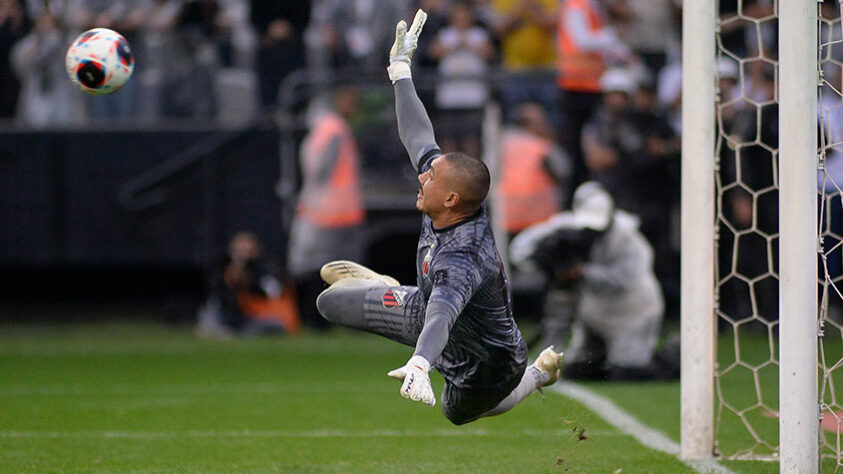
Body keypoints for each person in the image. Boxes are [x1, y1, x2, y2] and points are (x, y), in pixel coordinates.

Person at [314, 9, 563, 425]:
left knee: (455, 411)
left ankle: (537, 375)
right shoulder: (450, 198)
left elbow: (445, 315)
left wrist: (419, 364)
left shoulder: (462, 259)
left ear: (450, 198)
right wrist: (400, 71)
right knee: (329, 302)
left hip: (486, 361)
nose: (422, 174)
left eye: (430, 176)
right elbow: (418, 135)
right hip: (429, 309)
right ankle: (387, 286)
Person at [510, 182, 675, 381]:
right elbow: (520, 250)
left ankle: (672, 359)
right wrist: (549, 265)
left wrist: (582, 272)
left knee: (627, 372)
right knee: (578, 370)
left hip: (631, 313)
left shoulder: (628, 238)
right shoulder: (566, 228)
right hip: (593, 311)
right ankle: (602, 357)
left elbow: (622, 280)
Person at [286, 85, 366, 330]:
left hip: (326, 209)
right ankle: (320, 320)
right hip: (332, 212)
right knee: (329, 270)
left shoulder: (322, 129)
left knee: (319, 268)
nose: (355, 106)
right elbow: (322, 171)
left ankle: (316, 320)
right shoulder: (335, 130)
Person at [197, 232, 300, 337]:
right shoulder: (223, 268)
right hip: (228, 315)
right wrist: (229, 282)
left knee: (275, 324)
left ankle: (232, 333)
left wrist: (250, 283)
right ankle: (220, 331)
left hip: (254, 317)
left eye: (247, 250)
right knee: (210, 311)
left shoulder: (265, 269)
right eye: (239, 251)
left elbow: (274, 293)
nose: (243, 255)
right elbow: (216, 295)